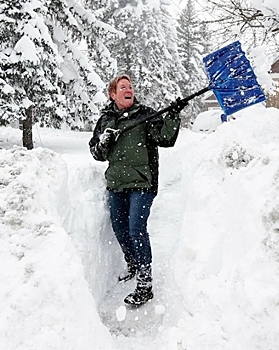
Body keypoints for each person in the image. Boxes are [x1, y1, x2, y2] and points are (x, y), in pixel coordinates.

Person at [89, 74, 187, 305]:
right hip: (116, 183)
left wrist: (172, 115)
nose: (128, 89)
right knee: (119, 228)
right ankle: (133, 262)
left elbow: (165, 138)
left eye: (130, 86)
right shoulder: (105, 120)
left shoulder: (145, 115)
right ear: (113, 94)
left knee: (136, 228)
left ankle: (145, 282)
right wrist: (103, 142)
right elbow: (96, 153)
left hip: (143, 182)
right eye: (123, 87)